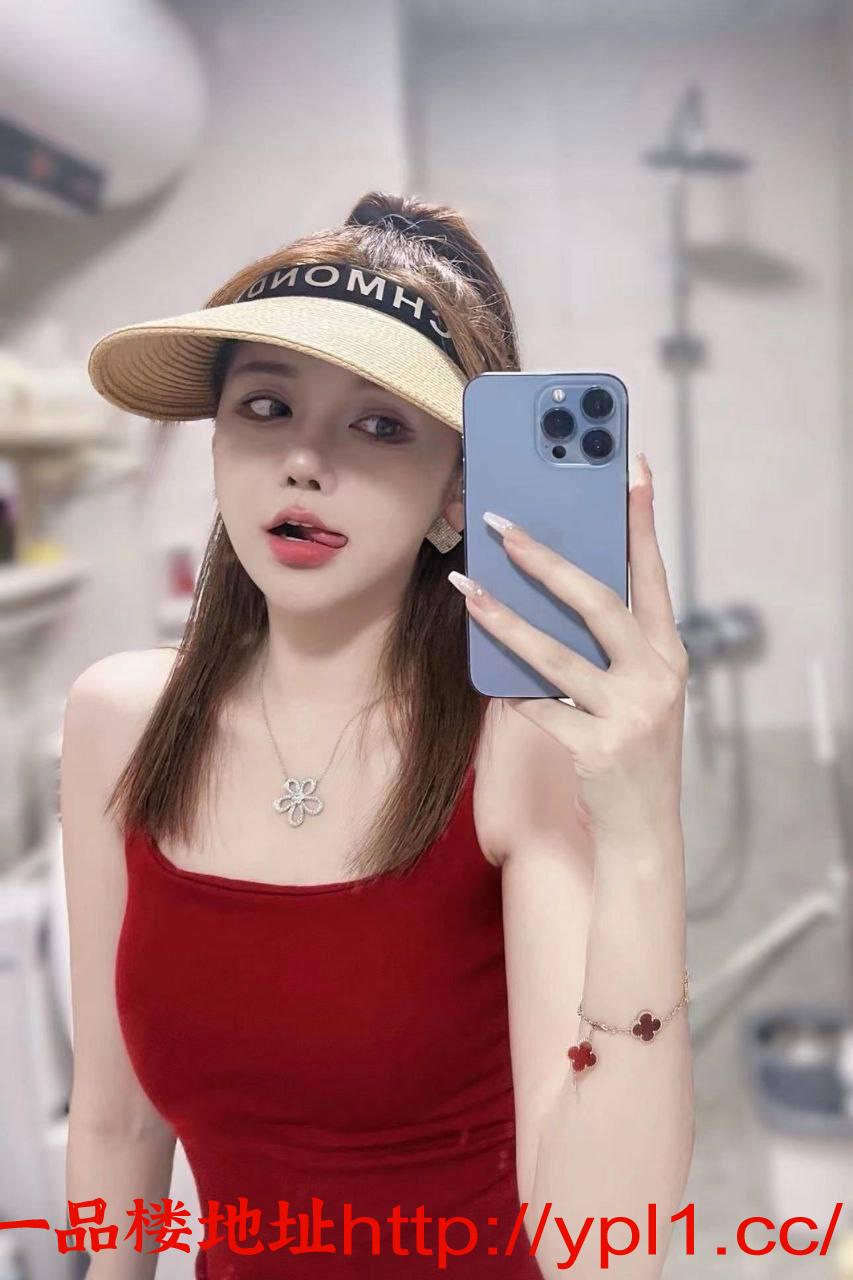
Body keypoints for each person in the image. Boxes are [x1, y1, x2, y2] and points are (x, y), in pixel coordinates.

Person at [61, 191, 693, 1279]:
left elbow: (601, 1253)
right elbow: (116, 1127)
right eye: (266, 406)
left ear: (455, 495)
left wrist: (642, 826)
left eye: (379, 424)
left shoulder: (516, 749)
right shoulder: (120, 723)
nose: (304, 459)